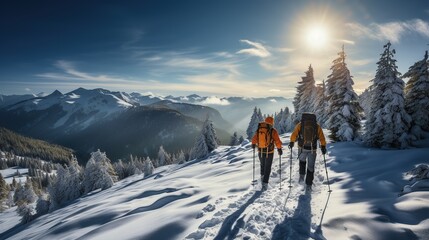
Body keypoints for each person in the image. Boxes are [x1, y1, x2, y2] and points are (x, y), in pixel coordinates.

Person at [289, 113, 326, 189]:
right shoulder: (316, 126)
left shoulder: (300, 125)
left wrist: (292, 142)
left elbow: (294, 134)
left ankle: (301, 178)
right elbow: (322, 137)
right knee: (310, 166)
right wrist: (323, 146)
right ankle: (308, 185)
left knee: (302, 162)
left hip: (302, 148)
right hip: (313, 149)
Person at [251, 116, 283, 190]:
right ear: (272, 123)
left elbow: (254, 138)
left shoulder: (260, 129)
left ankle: (262, 179)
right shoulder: (273, 130)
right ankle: (265, 184)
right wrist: (279, 149)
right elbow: (277, 141)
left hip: (260, 151)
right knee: (267, 167)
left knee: (262, 165)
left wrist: (253, 144)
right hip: (269, 152)